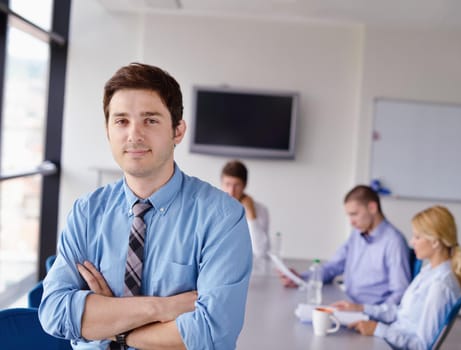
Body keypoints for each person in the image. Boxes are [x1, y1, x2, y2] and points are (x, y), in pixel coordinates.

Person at [38, 63, 253, 350]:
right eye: (121, 121)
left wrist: (114, 326)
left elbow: (211, 332)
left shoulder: (222, 217)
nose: (134, 135)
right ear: (107, 130)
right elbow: (55, 313)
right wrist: (160, 309)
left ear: (178, 131)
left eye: (150, 120)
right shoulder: (87, 212)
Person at [337, 205, 461, 350]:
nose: (411, 242)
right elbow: (401, 313)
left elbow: (421, 345)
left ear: (435, 241)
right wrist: (361, 308)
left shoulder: (441, 285)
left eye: (417, 237)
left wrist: (378, 329)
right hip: (392, 339)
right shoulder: (429, 271)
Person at [280, 185, 411, 306]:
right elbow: (332, 267)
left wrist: (371, 316)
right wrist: (301, 278)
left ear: (372, 208)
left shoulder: (394, 242)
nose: (351, 222)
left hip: (369, 314)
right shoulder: (357, 234)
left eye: (354, 214)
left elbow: (399, 293)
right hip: (348, 304)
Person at [220, 160, 270, 260]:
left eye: (236, 185)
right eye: (228, 184)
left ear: (244, 185)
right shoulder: (212, 208)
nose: (231, 191)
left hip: (251, 269)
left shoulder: (260, 210)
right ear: (221, 183)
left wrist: (251, 214)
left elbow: (260, 251)